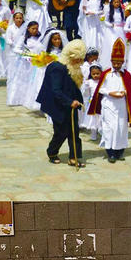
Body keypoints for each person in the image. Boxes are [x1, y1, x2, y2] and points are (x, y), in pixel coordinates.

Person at [87, 38, 131, 163]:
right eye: (114, 63)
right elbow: (100, 89)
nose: (116, 65)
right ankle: (110, 152)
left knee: (121, 127)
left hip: (122, 105)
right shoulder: (106, 74)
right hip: (108, 104)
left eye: (118, 63)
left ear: (122, 62)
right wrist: (111, 93)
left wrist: (123, 93)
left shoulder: (127, 75)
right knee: (110, 128)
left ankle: (120, 152)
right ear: (111, 61)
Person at [35, 39, 88, 167]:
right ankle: (52, 152)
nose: (79, 63)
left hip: (71, 104)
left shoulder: (72, 67)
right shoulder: (57, 68)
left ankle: (74, 157)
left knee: (74, 131)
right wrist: (69, 102)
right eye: (77, 60)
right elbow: (56, 90)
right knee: (62, 132)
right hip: (58, 104)